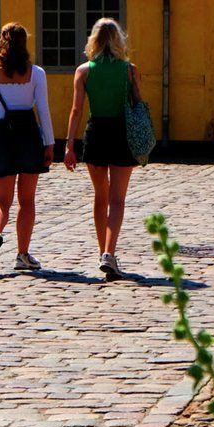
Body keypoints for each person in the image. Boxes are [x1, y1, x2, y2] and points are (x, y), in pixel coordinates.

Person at [64, 17, 141, 279]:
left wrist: (69, 145)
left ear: (94, 40)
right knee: (118, 199)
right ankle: (110, 252)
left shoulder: (84, 71)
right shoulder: (129, 70)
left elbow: (76, 110)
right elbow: (137, 104)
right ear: (119, 40)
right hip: (121, 133)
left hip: (95, 133)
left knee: (101, 196)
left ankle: (102, 253)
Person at [0, 22, 53, 272]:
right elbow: (42, 109)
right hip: (29, 137)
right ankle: (22, 254)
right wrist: (50, 143)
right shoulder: (36, 73)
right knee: (27, 200)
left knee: (0, 200)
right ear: (25, 43)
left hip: (2, 137)